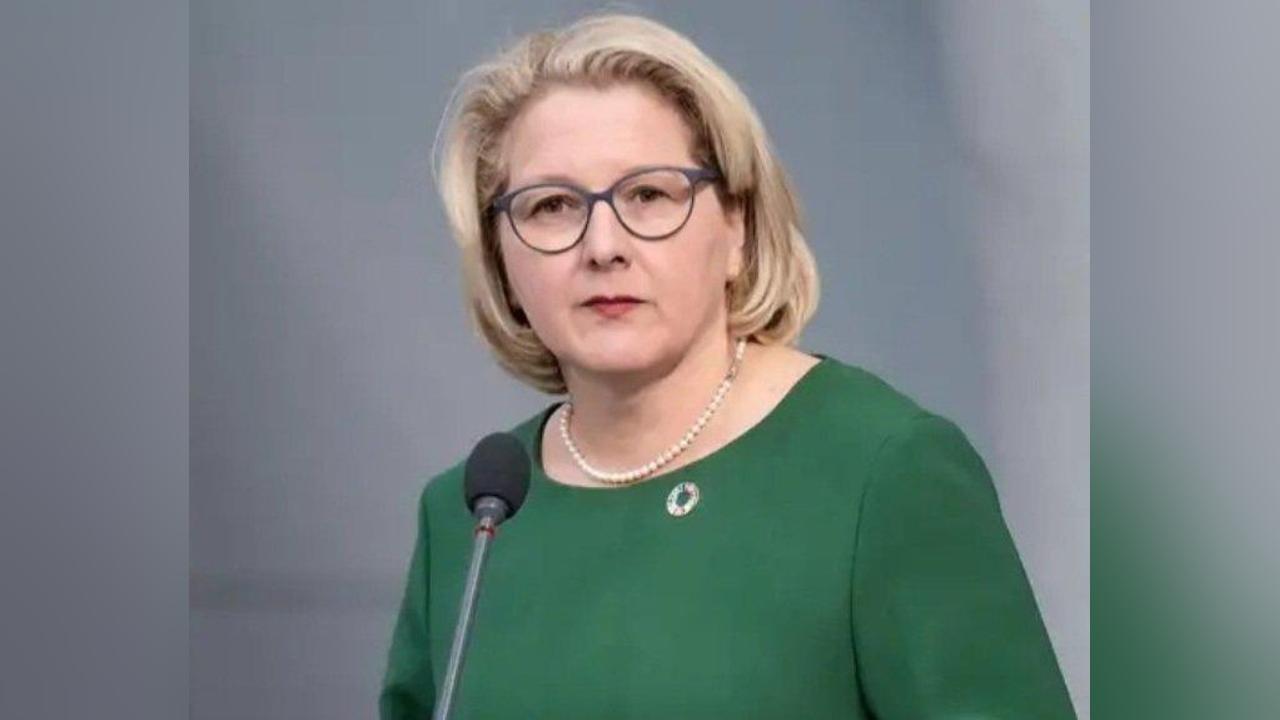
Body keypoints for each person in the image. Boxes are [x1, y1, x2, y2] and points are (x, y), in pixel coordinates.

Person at [380, 13, 1075, 719]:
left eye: (649, 195)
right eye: (552, 206)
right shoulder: (469, 516)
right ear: (499, 256)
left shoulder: (882, 471)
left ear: (737, 227)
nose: (603, 245)